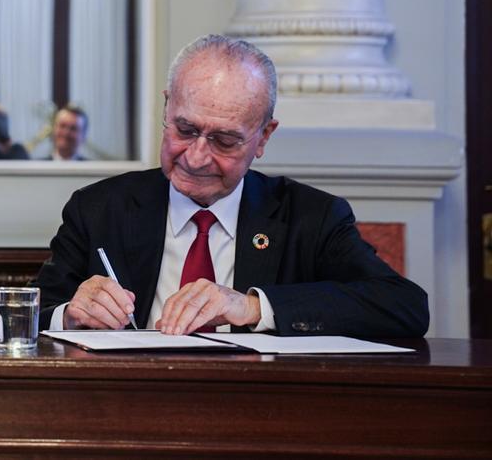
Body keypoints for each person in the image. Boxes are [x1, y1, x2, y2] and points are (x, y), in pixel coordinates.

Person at [34, 34, 429, 338]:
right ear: (167, 108)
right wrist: (70, 313)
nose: (196, 156)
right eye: (185, 130)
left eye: (224, 140)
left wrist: (256, 307)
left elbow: (405, 306)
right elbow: (33, 312)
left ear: (264, 137)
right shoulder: (100, 208)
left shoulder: (310, 218)